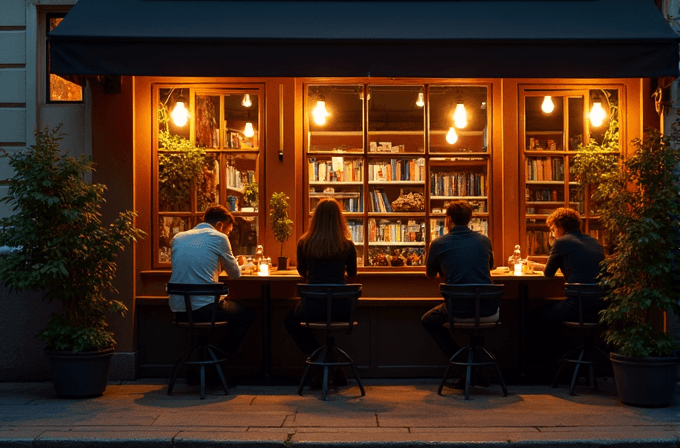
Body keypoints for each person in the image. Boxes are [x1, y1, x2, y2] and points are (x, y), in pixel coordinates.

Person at [168, 204, 254, 383]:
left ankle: (200, 366)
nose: (228, 234)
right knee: (247, 316)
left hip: (179, 308)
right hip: (205, 308)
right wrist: (246, 266)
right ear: (221, 225)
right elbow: (236, 274)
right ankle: (212, 362)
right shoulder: (219, 237)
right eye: (229, 231)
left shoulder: (178, 237)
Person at [421, 200, 496, 388]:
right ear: (471, 218)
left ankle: (464, 366)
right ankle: (479, 369)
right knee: (477, 325)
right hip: (489, 308)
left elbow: (430, 274)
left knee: (428, 320)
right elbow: (490, 266)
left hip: (458, 309)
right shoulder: (484, 240)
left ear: (447, 219)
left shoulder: (438, 243)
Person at [284, 198, 357, 386]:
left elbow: (302, 272)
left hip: (312, 307)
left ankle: (318, 361)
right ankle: (333, 364)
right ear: (339, 219)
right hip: (342, 308)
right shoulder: (347, 244)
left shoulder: (304, 243)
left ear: (315, 218)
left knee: (290, 320)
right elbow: (353, 273)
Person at [527, 207, 605, 369]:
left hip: (578, 306)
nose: (553, 233)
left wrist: (536, 265)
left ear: (560, 227)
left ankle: (553, 363)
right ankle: (567, 357)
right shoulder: (594, 242)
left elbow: (549, 273)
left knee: (535, 315)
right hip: (601, 306)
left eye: (553, 229)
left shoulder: (561, 242)